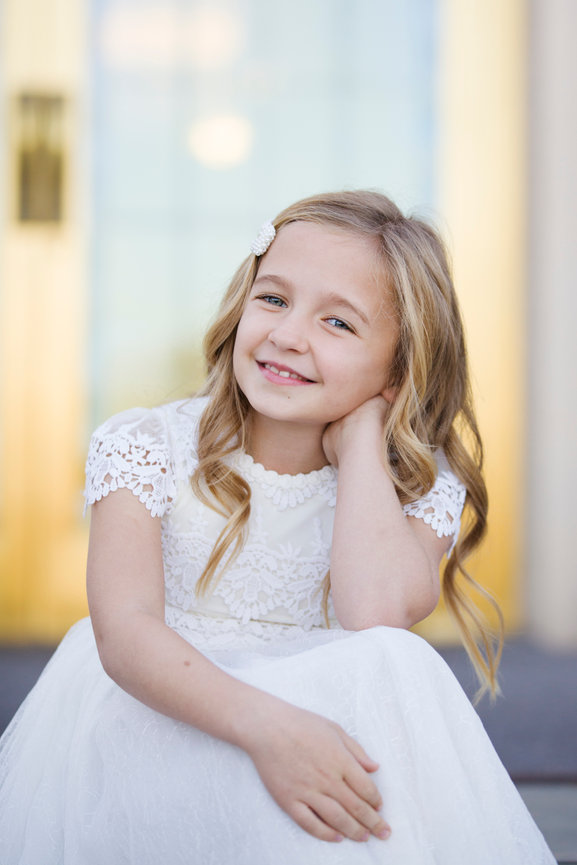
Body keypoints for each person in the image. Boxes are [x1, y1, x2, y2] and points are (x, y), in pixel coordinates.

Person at [0, 190, 555, 864]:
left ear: (399, 369)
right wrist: (268, 727)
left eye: (338, 323)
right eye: (273, 299)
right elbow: (125, 633)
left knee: (396, 657)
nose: (289, 334)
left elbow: (374, 613)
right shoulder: (146, 445)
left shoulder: (416, 486)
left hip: (319, 756)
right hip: (157, 725)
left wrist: (359, 448)